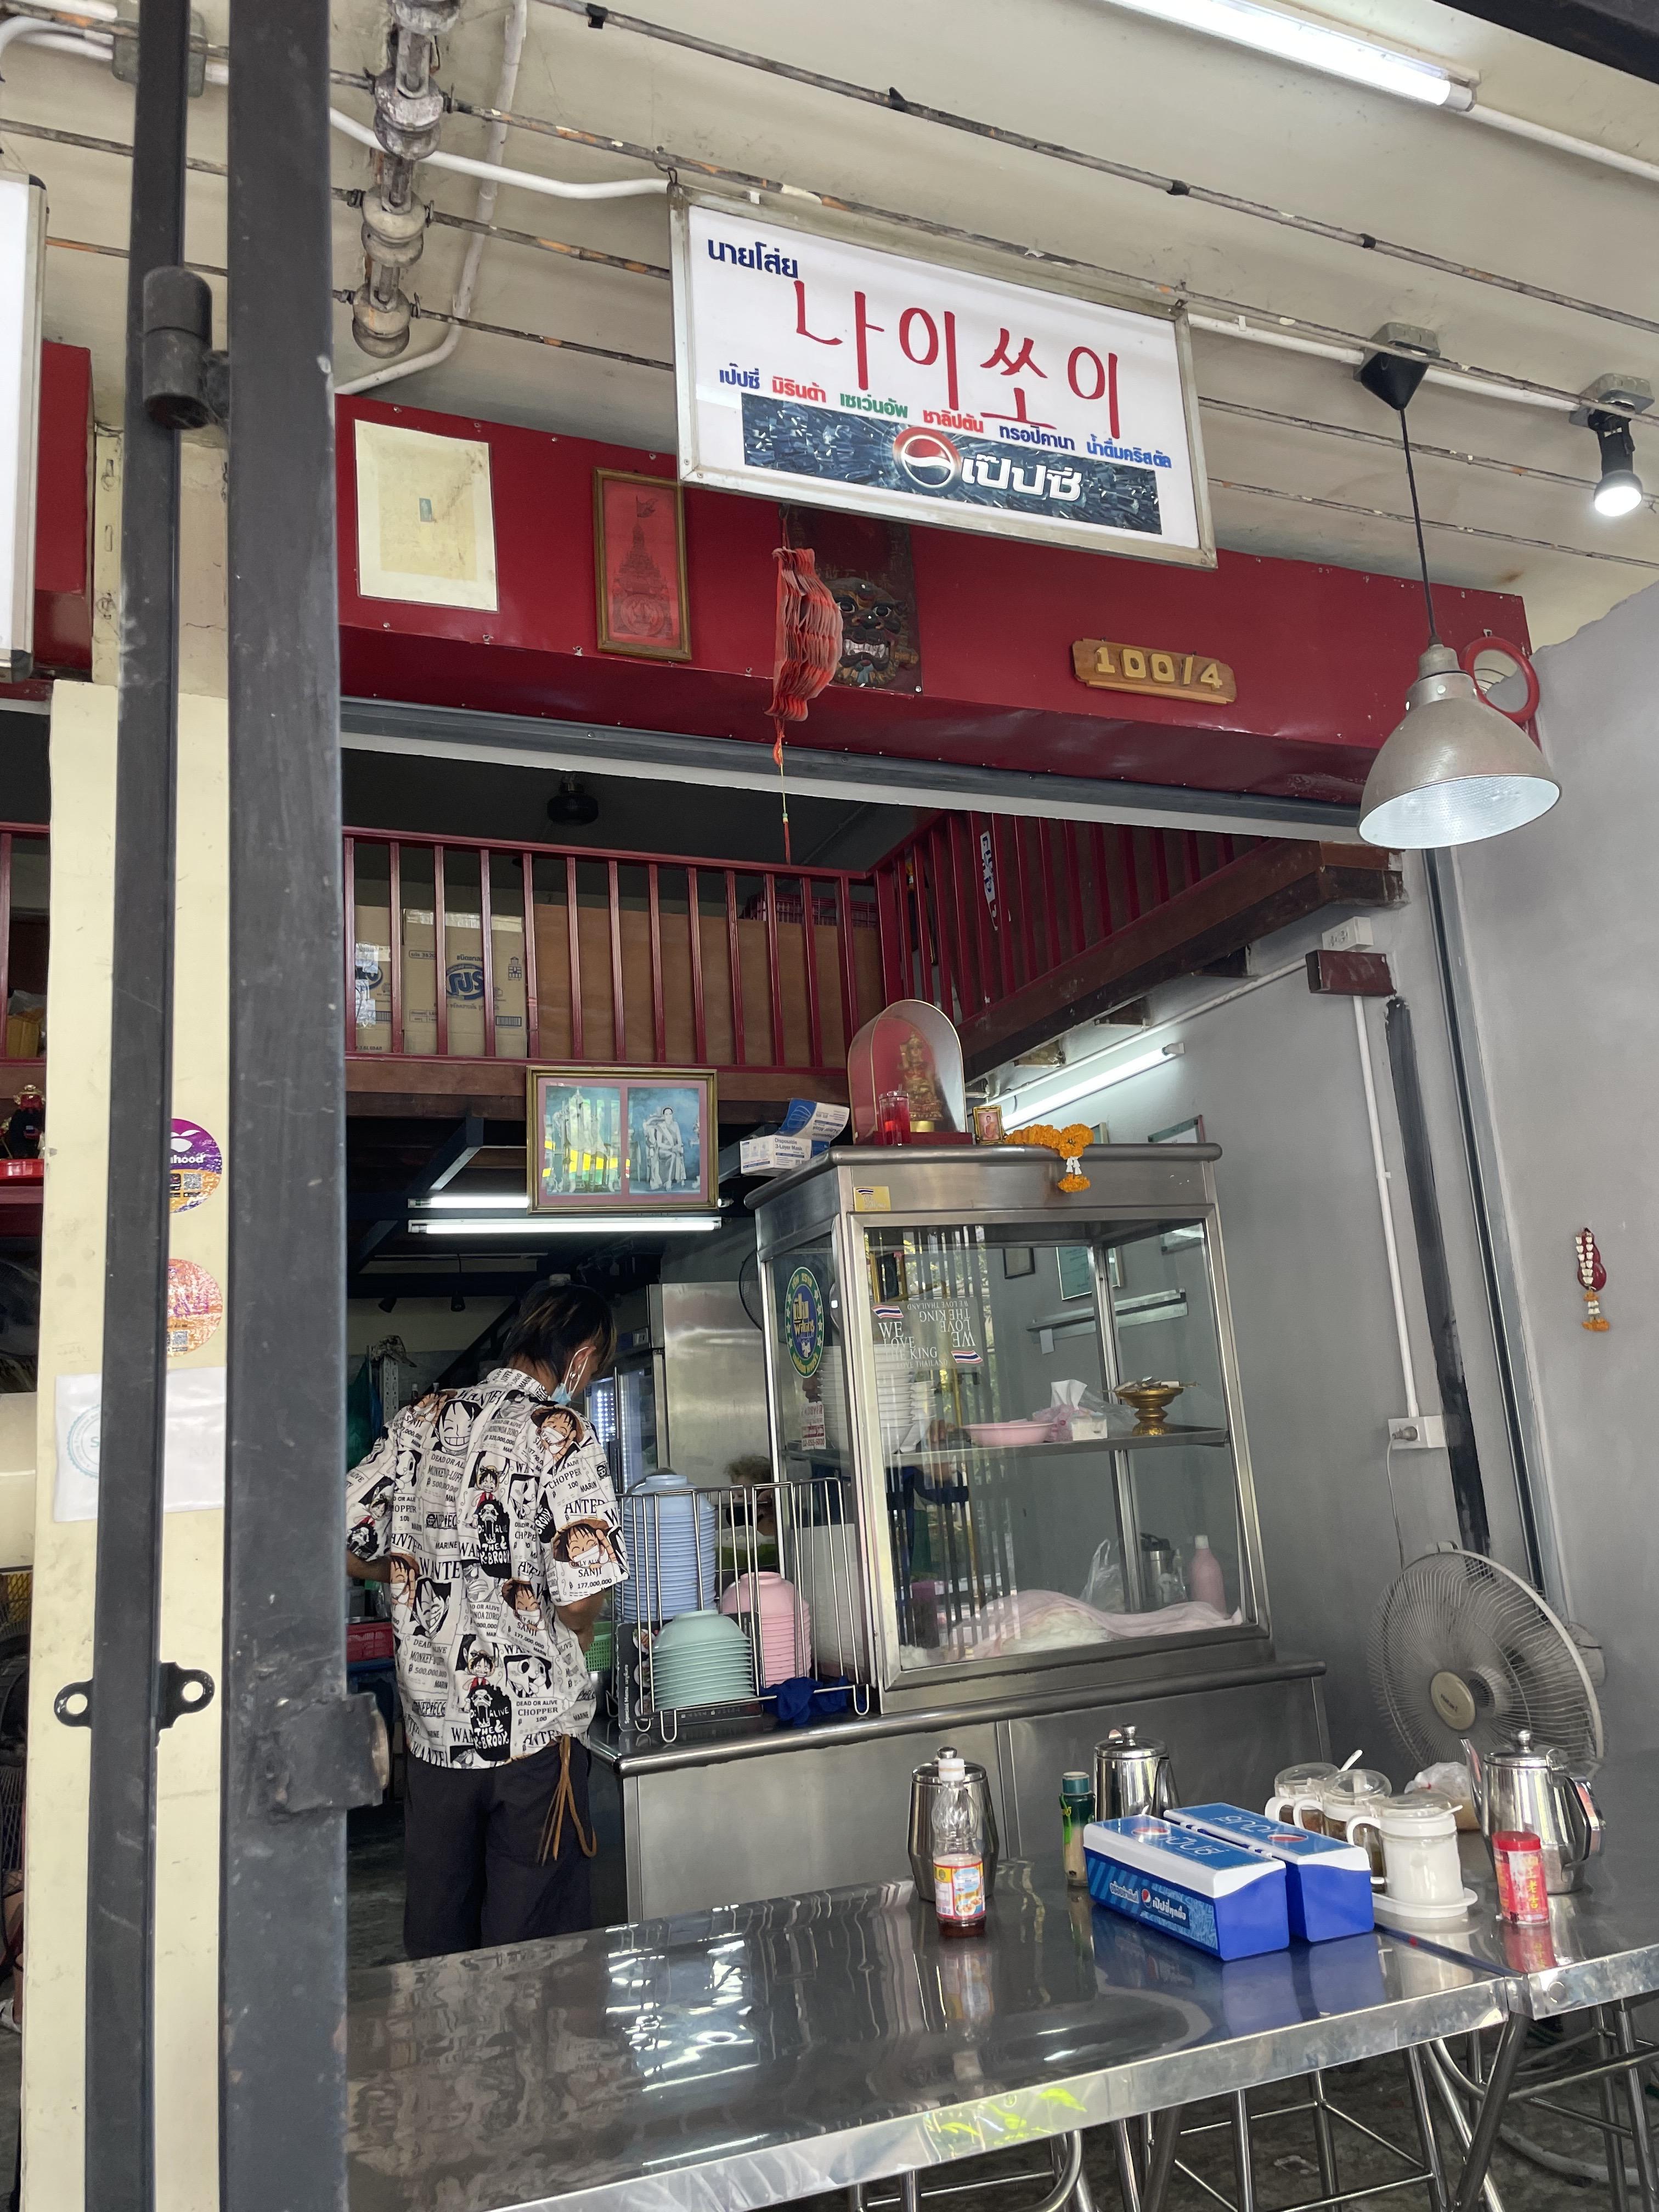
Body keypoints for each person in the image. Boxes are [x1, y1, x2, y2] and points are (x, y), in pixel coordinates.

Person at [346, 1283, 627, 1957]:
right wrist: (580, 1622)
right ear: (582, 1357)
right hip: (533, 1746)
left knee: (442, 1942)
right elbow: (579, 1600)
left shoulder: (420, 1419)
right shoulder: (560, 1434)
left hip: (434, 1746)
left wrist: (414, 1567)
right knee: (533, 1955)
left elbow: (342, 1537)